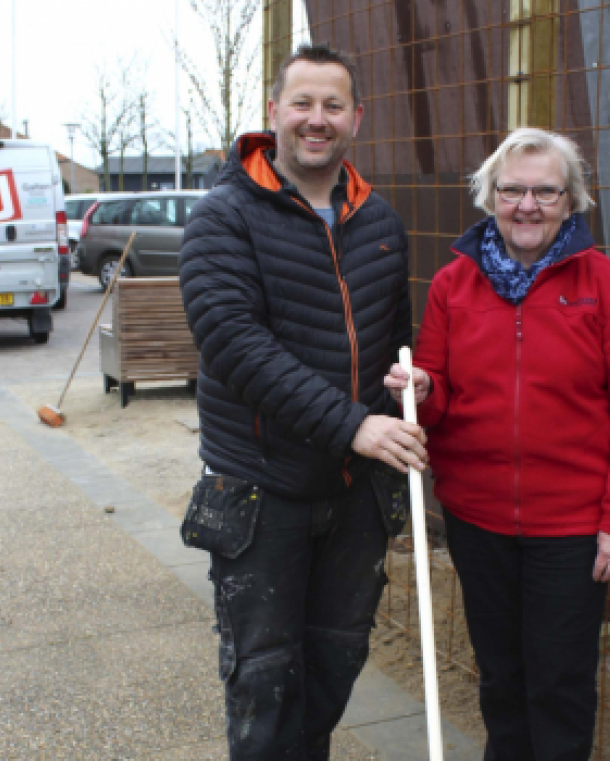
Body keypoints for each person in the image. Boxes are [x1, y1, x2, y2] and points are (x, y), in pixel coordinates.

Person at [385, 127, 610, 760]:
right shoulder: (456, 284)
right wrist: (423, 387)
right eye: (513, 190)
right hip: (478, 518)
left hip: (572, 529)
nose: (528, 205)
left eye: (545, 191)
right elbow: (437, 398)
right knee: (502, 678)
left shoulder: (609, 288)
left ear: (571, 200)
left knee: (560, 685)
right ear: (491, 197)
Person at [178, 43, 426, 760]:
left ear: (357, 117)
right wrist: (355, 426)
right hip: (262, 492)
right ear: (274, 113)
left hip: (352, 497)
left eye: (333, 105)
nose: (317, 120)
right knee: (264, 682)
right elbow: (234, 344)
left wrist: (415, 385)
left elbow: (393, 345)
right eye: (303, 103)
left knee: (332, 665)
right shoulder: (223, 217)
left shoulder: (379, 222)